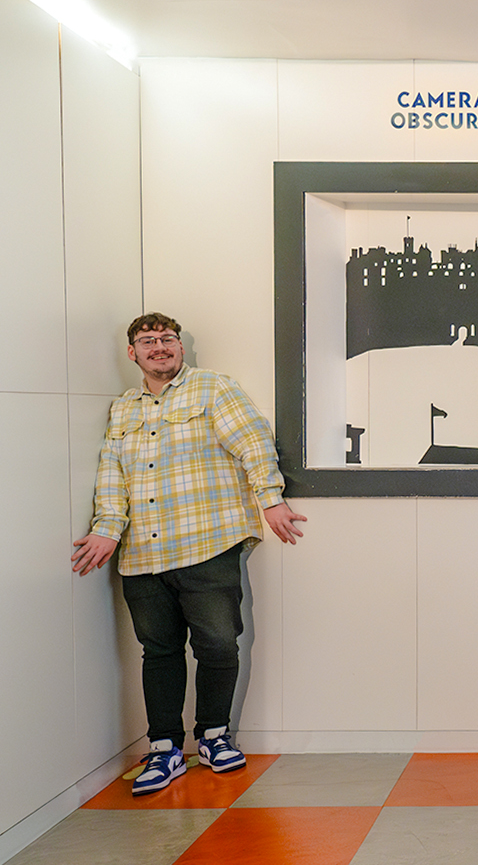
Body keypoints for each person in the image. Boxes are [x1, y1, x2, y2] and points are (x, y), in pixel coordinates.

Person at [71, 312, 307, 795]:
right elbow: (112, 476)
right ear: (132, 353)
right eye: (148, 340)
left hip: (207, 544)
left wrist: (271, 499)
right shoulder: (122, 410)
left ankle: (215, 737)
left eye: (168, 339)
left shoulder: (213, 389)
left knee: (218, 645)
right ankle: (165, 749)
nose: (160, 347)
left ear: (181, 347)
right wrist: (107, 530)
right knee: (157, 652)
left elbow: (253, 444)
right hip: (142, 556)